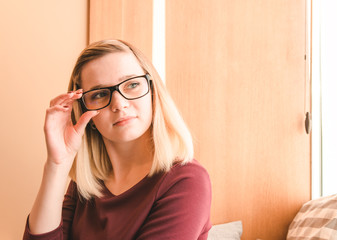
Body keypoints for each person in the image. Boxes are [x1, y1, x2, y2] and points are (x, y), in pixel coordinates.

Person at [23, 39, 212, 240]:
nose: (119, 104)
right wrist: (56, 165)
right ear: (87, 113)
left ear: (153, 93)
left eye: (132, 84)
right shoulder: (86, 184)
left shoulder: (186, 180)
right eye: (100, 94)